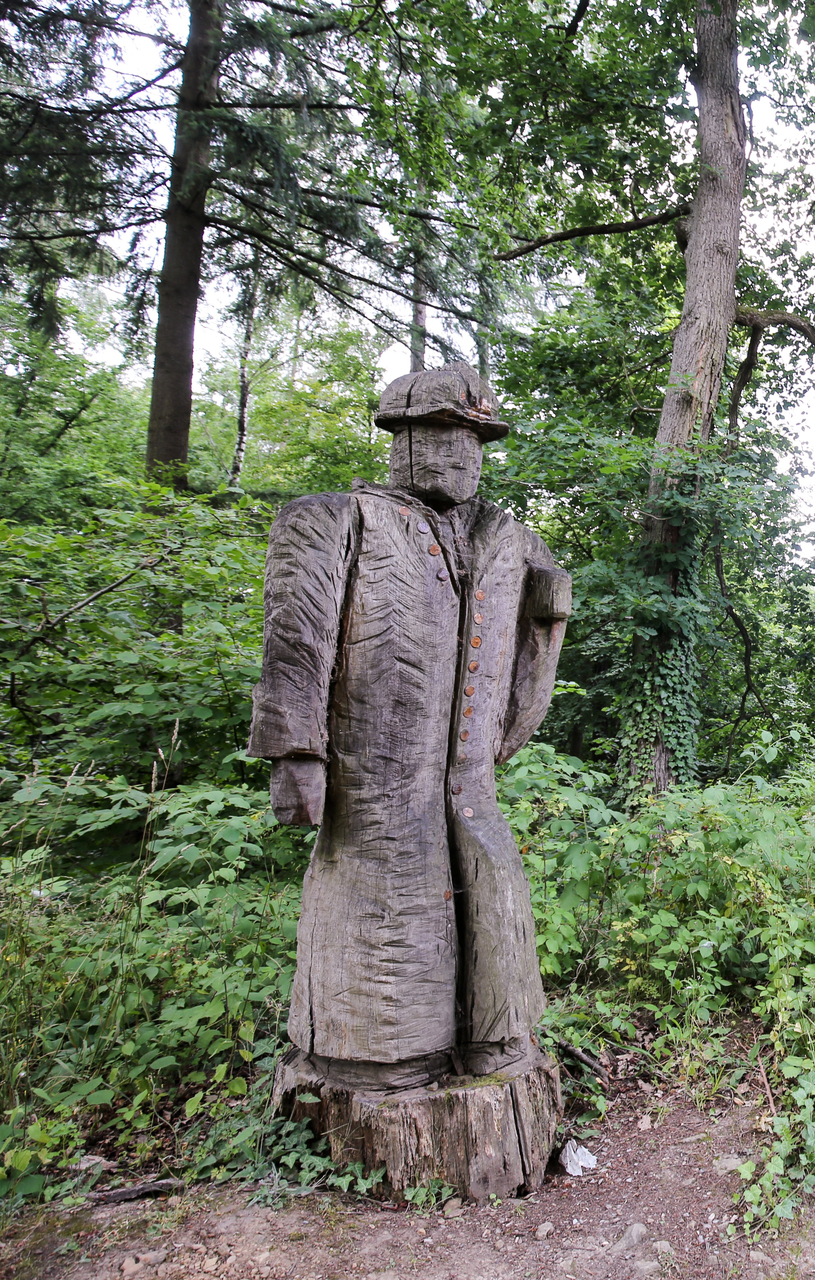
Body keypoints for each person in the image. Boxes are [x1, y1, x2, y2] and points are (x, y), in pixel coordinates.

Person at [249, 362, 571, 1088]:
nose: (460, 454)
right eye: (442, 434)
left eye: (473, 440)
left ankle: (493, 1035)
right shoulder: (337, 518)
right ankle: (378, 1054)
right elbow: (295, 641)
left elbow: (536, 642)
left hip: (470, 785)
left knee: (492, 895)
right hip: (373, 785)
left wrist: (514, 718)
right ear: (403, 437)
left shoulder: (508, 538)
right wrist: (295, 753)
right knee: (383, 908)